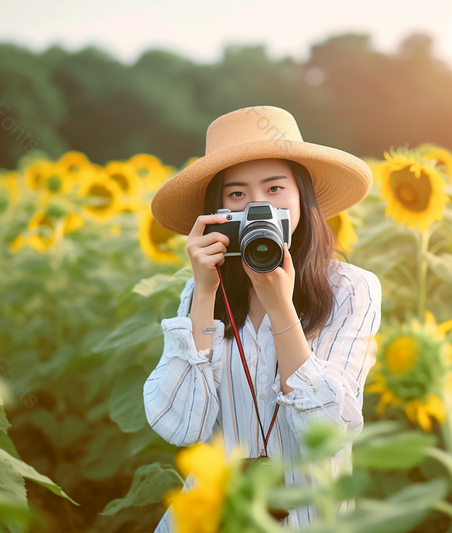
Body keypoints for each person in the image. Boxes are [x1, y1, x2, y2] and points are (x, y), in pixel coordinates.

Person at [144, 105, 382, 531]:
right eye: (237, 195)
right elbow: (181, 425)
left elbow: (329, 430)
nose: (258, 207)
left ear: (302, 198)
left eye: (274, 189)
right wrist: (203, 290)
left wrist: (280, 308)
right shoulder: (203, 290)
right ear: (218, 212)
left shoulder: (352, 289)